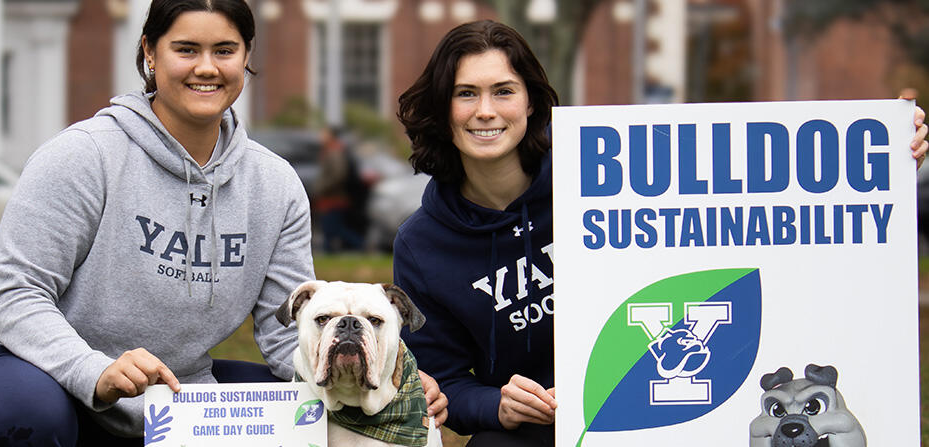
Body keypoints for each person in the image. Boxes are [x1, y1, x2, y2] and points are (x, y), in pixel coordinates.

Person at [393, 19, 929, 447]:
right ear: (444, 107)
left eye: (502, 91)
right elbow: (442, 387)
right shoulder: (422, 245)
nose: (485, 111)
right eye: (466, 93)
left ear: (531, 102)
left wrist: (886, 151)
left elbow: (747, 183)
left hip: (669, 404)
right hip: (544, 430)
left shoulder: (604, 176)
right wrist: (497, 406)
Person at [0, 1, 313, 445]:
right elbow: (14, 293)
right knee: (24, 413)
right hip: (16, 369)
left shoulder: (275, 185)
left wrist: (359, 374)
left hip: (161, 392)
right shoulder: (83, 155)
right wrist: (96, 371)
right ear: (149, 52)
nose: (207, 68)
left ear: (246, 56)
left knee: (308, 417)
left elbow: (289, 332)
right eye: (186, 50)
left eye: (224, 50)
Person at [316, 126, 365, 253]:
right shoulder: (329, 151)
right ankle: (330, 251)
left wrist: (321, 187)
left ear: (331, 136)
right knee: (331, 229)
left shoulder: (334, 151)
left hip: (334, 198)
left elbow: (338, 174)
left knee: (334, 228)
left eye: (324, 133)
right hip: (331, 197)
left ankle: (361, 245)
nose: (320, 136)